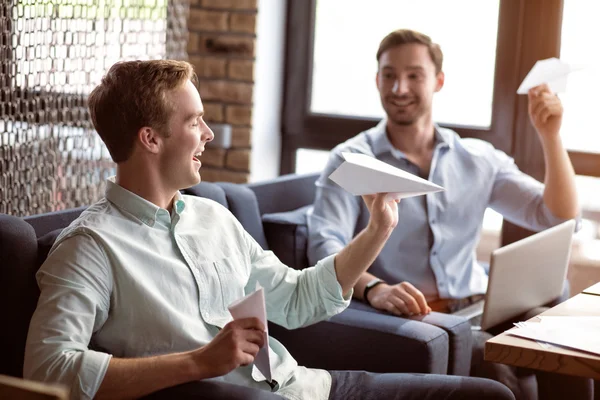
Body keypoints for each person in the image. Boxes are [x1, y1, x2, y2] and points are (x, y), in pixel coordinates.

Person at [22, 60, 514, 400]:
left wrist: (378, 228)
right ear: (150, 138)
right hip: (235, 396)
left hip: (307, 386)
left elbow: (298, 299)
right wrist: (198, 362)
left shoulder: (210, 216)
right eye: (194, 122)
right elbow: (48, 370)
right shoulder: (89, 248)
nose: (209, 135)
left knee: (491, 395)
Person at [307, 29, 592, 400]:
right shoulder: (350, 159)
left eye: (414, 75)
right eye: (389, 75)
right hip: (420, 316)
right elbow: (322, 247)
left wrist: (551, 136)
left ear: (438, 81)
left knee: (562, 343)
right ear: (377, 80)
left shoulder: (477, 159)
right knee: (490, 359)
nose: (399, 88)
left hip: (480, 304)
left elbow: (557, 217)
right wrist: (376, 288)